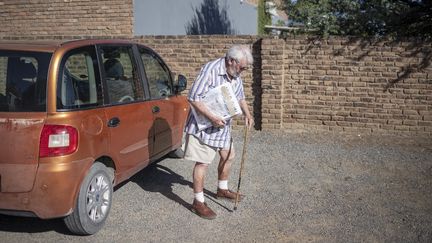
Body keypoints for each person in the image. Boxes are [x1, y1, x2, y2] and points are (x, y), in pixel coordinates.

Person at [183, 45, 254, 220]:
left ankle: (222, 189)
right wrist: (212, 117)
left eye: (245, 68)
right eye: (242, 67)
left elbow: (240, 96)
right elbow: (193, 97)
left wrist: (248, 113)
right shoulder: (210, 70)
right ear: (231, 61)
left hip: (222, 126)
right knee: (203, 163)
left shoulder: (236, 74)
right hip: (205, 125)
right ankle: (198, 202)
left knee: (229, 155)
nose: (243, 71)